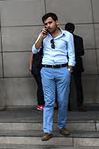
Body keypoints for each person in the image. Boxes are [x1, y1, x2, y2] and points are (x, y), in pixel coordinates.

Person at [32, 12, 75, 141]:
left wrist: (69, 69)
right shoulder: (43, 35)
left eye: (50, 22)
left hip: (63, 70)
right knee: (49, 102)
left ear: (57, 22)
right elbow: (34, 50)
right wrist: (41, 37)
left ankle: (62, 126)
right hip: (47, 70)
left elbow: (71, 54)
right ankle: (47, 131)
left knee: (63, 101)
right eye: (45, 24)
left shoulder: (67, 35)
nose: (48, 25)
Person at [64, 22, 86, 112]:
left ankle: (67, 106)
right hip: (77, 64)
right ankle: (80, 105)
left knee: (65, 86)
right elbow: (82, 52)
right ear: (73, 29)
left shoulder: (63, 40)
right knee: (78, 86)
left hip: (66, 64)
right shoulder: (79, 39)